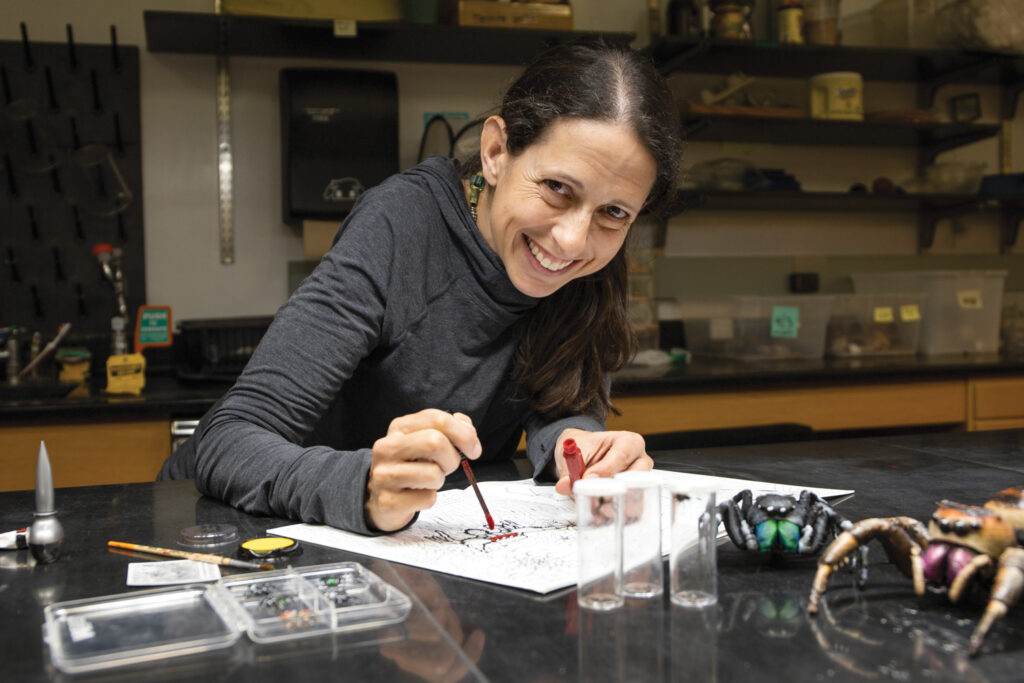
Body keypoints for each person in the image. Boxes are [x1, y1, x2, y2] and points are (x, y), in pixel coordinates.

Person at [159, 38, 683, 535]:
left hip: (427, 547)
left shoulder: (591, 262)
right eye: (556, 189)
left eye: (614, 213)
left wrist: (582, 448)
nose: (571, 240)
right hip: (219, 524)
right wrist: (364, 487)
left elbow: (558, 399)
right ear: (496, 151)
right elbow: (226, 442)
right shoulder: (400, 225)